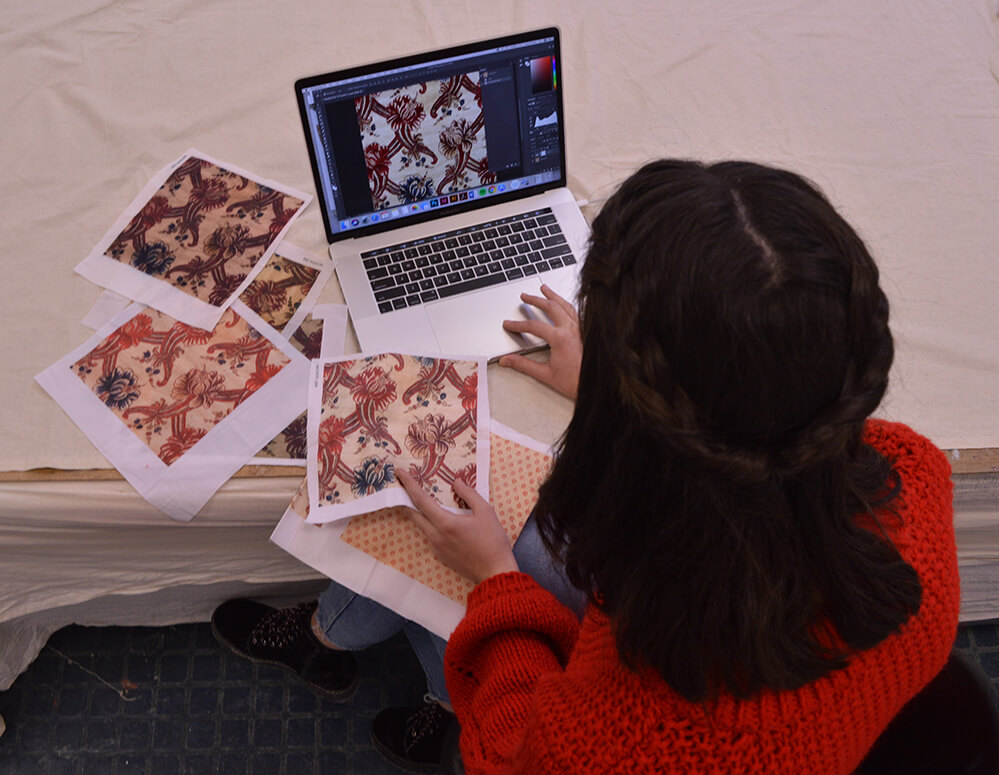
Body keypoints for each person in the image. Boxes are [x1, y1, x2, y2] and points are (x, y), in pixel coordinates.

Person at [213, 159, 959, 773]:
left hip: (567, 712)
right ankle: (373, 667)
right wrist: (617, 394)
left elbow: (510, 752)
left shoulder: (623, 741)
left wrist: (498, 582)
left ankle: (383, 671)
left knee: (426, 518)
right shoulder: (911, 470)